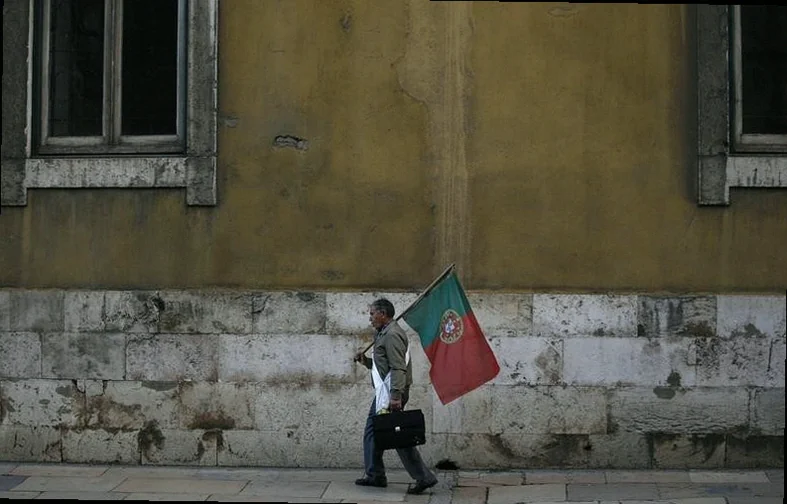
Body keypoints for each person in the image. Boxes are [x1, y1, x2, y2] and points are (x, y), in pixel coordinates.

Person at [353, 298, 438, 495]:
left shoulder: (392, 335)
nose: (370, 318)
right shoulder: (383, 332)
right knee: (375, 432)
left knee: (397, 436)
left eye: (372, 314)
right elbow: (383, 365)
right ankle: (375, 474)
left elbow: (398, 367)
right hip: (387, 391)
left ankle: (423, 477)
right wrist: (365, 361)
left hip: (391, 393)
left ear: (383, 314)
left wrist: (396, 396)